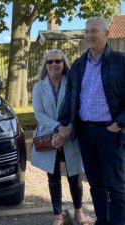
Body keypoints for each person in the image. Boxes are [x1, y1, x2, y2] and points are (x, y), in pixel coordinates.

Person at [57, 17, 125, 225]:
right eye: (86, 32)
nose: (89, 35)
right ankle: (102, 222)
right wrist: (61, 124)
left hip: (110, 132)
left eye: (94, 31)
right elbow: (70, 97)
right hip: (86, 133)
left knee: (116, 185)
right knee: (96, 185)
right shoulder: (78, 64)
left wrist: (118, 124)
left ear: (106, 33)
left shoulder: (121, 61)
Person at [31, 49, 89, 225]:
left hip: (70, 135)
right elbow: (39, 114)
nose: (54, 64)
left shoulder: (72, 84)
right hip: (49, 135)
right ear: (45, 66)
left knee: (74, 175)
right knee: (53, 176)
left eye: (58, 61)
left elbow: (79, 110)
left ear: (64, 64)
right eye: (50, 62)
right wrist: (58, 128)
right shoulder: (39, 87)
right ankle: (57, 215)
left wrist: (67, 131)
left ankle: (78, 212)